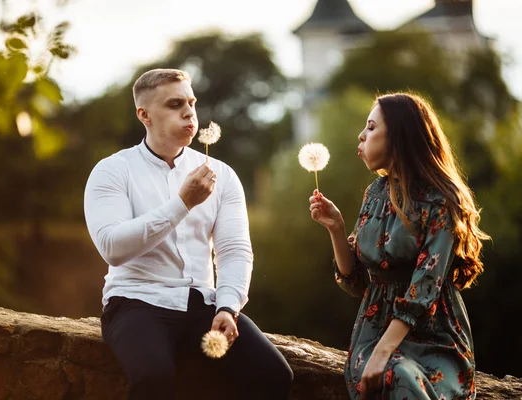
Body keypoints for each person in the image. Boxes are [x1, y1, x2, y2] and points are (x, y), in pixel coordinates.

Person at [84, 68, 292, 400]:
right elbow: (112, 248)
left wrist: (228, 306)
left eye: (192, 103)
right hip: (136, 302)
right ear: (144, 115)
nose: (189, 112)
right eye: (175, 104)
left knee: (274, 374)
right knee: (154, 379)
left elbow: (234, 249)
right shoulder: (112, 170)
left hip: (204, 304)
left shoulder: (221, 174)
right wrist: (182, 203)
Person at [309, 93, 489, 400]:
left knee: (400, 375)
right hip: (373, 334)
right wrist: (337, 229)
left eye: (371, 127)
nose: (361, 135)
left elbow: (425, 289)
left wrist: (383, 354)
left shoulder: (441, 202)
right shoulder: (375, 193)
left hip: (434, 337)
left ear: (399, 137)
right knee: (395, 374)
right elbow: (357, 282)